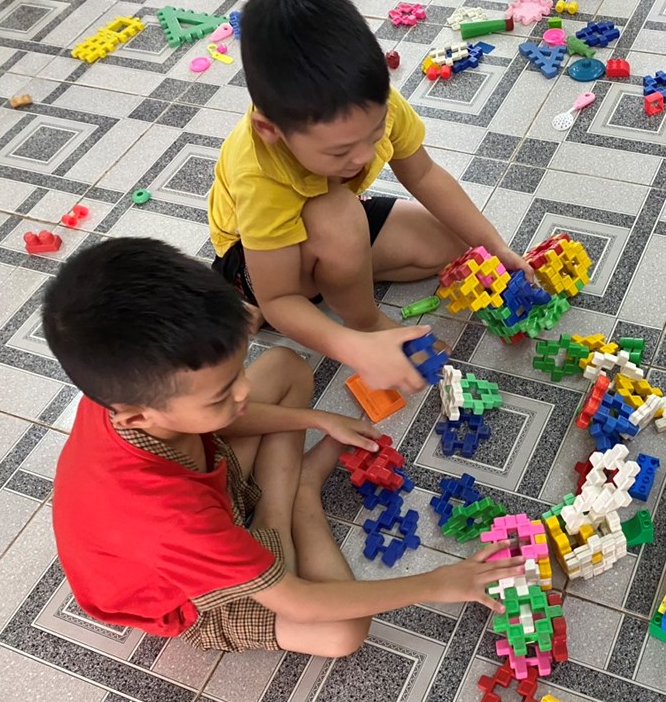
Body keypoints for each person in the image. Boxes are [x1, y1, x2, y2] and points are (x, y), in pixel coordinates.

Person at [46, 239, 522, 656]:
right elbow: (299, 602)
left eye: (237, 373)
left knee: (286, 367)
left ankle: (283, 496)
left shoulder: (125, 393)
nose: (243, 392)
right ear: (137, 416)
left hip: (198, 483)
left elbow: (229, 413)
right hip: (185, 588)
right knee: (343, 631)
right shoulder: (174, 523)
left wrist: (317, 418)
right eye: (221, 394)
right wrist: (437, 583)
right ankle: (296, 499)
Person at [208, 0, 529, 394]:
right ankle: (363, 319)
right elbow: (279, 297)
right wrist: (358, 346)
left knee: (450, 244)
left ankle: (339, 273)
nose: (362, 158)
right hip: (255, 265)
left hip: (331, 219)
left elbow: (424, 174)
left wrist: (495, 246)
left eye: (374, 135)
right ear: (269, 129)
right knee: (338, 215)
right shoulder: (258, 174)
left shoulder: (371, 102)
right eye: (340, 152)